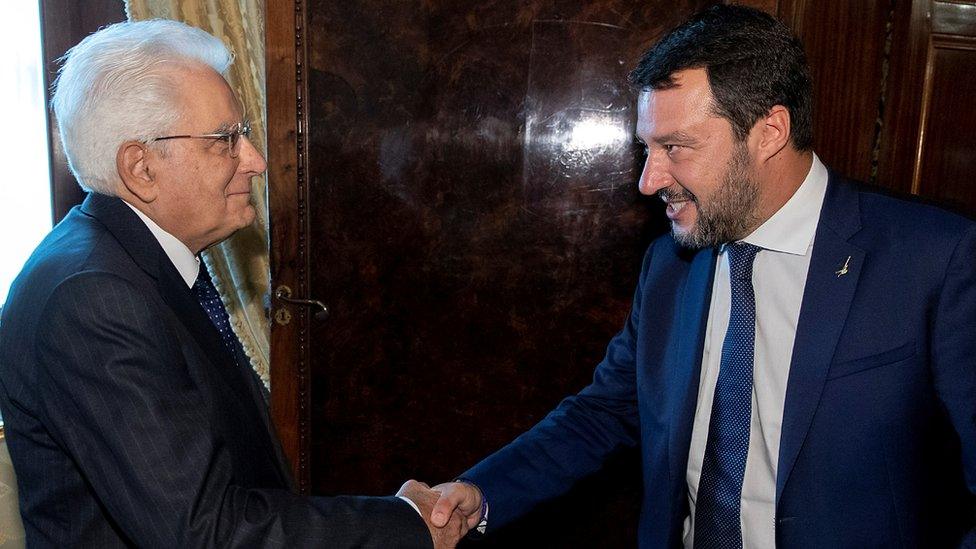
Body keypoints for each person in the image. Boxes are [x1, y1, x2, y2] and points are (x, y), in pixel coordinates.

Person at [424, 5, 976, 547]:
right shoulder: (669, 265)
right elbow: (606, 411)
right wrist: (480, 491)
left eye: (675, 147)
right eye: (647, 148)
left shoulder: (936, 259)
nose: (648, 179)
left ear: (769, 132)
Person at [0, 20, 463, 548]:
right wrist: (405, 525)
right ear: (141, 167)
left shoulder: (131, 260)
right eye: (226, 139)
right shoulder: (93, 297)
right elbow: (203, 531)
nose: (256, 161)